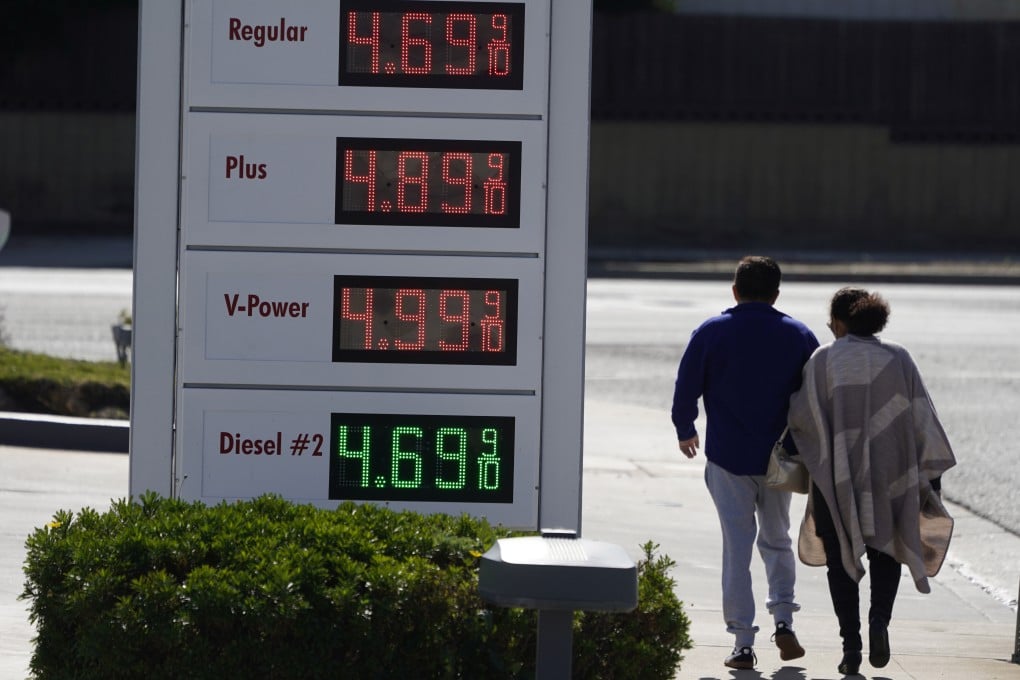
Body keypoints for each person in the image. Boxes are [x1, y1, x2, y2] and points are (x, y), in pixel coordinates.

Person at [788, 287, 956, 675]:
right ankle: (879, 619)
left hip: (836, 475)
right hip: (889, 474)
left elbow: (802, 418)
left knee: (838, 559)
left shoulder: (823, 359)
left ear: (839, 322)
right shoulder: (898, 358)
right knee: (887, 549)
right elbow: (921, 416)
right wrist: (930, 479)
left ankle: (851, 647)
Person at [671, 255, 819, 670]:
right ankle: (784, 618)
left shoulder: (711, 331)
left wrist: (686, 428)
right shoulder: (798, 334)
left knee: (736, 548)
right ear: (776, 294)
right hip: (780, 460)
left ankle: (742, 642)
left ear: (734, 291)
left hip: (727, 457)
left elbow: (686, 386)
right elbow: (815, 396)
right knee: (777, 538)